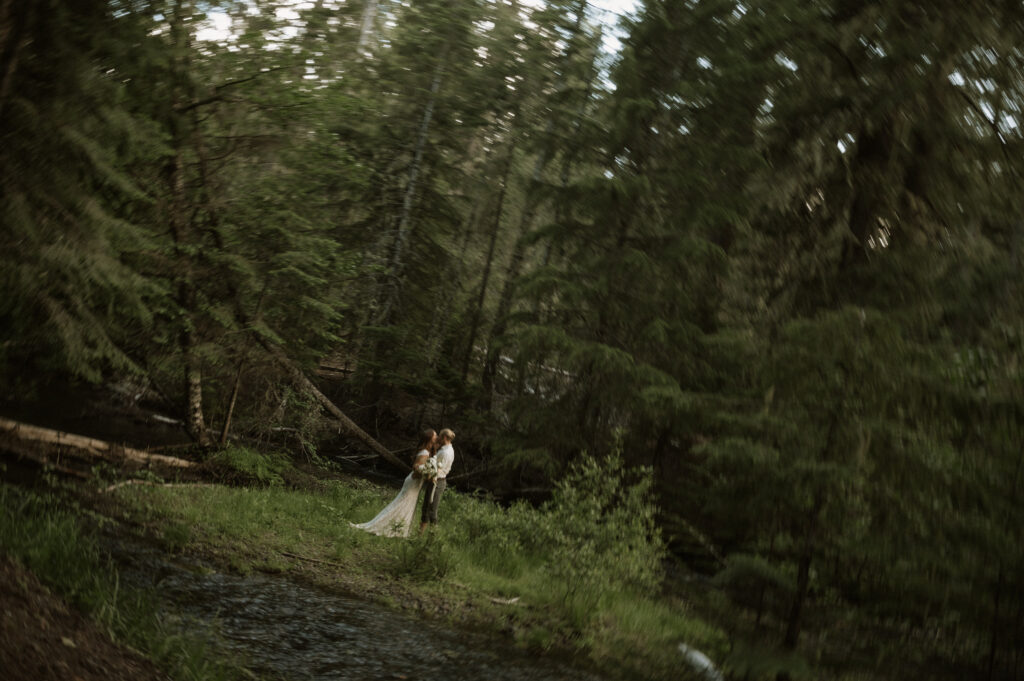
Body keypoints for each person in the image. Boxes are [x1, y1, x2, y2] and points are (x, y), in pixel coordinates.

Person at [351, 429, 436, 538]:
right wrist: (428, 473)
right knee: (401, 503)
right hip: (413, 482)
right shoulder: (424, 452)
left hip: (415, 483)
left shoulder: (427, 451)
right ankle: (385, 526)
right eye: (435, 435)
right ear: (430, 438)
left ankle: (400, 529)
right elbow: (416, 468)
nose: (436, 437)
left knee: (407, 505)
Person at [420, 427, 454, 532]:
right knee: (427, 507)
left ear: (444, 437)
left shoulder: (445, 453)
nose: (438, 438)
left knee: (431, 509)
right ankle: (421, 533)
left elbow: (437, 470)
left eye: (439, 436)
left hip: (437, 481)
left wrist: (427, 473)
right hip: (437, 480)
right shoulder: (447, 449)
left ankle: (431, 536)